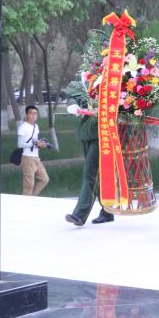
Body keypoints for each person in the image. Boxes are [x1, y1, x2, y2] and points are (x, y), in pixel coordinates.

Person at [65, 78, 114, 226]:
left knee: (89, 173)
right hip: (87, 133)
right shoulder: (86, 78)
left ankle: (80, 214)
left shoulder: (111, 77)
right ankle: (107, 211)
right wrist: (72, 104)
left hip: (104, 134)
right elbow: (73, 94)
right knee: (99, 175)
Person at [18, 105, 50, 196]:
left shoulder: (36, 126)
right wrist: (35, 144)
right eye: (31, 113)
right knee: (29, 185)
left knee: (44, 179)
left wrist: (41, 144)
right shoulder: (23, 127)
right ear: (26, 115)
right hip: (27, 157)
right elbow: (20, 144)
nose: (33, 116)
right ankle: (26, 202)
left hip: (36, 157)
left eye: (35, 113)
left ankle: (32, 198)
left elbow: (34, 140)